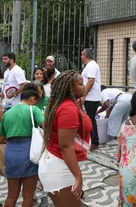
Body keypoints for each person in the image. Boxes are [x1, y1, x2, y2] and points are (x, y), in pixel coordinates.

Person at [39, 70, 92, 207]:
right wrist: (78, 177)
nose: (84, 86)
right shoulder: (68, 109)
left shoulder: (70, 103)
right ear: (70, 88)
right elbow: (65, 145)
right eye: (80, 84)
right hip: (60, 169)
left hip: (62, 166)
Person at [0, 83, 44, 207]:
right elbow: (46, 127)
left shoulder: (7, 113)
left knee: (11, 195)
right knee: (28, 195)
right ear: (33, 99)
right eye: (36, 101)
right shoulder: (33, 109)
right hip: (28, 153)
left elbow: (1, 139)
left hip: (11, 153)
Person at [81, 48, 101, 150]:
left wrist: (84, 94)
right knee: (89, 118)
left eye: (81, 55)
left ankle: (95, 141)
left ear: (85, 55)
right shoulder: (89, 66)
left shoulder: (92, 65)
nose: (81, 57)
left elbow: (91, 81)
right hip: (90, 96)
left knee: (91, 119)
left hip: (91, 97)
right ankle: (91, 139)